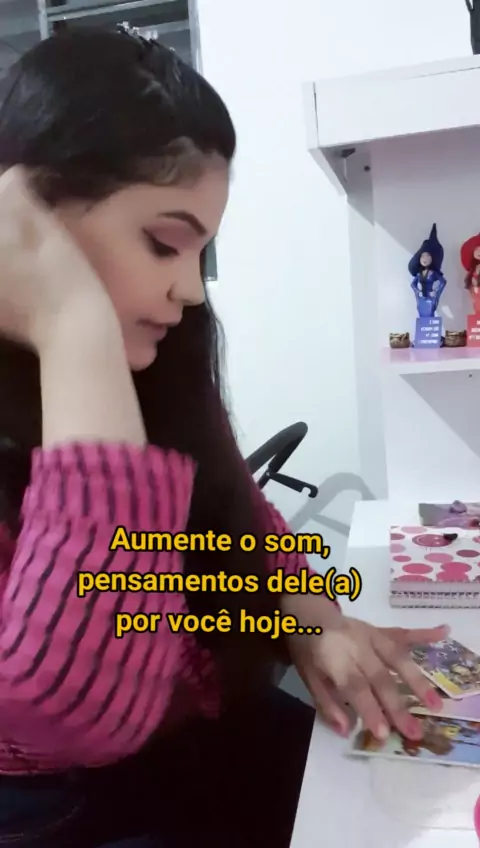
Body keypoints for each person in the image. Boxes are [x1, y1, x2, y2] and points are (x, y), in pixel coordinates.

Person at [0, 27, 447, 848]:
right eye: (163, 244)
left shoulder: (156, 364)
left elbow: (233, 512)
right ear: (26, 223)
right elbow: (75, 707)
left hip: (201, 730)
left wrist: (307, 615)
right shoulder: (87, 348)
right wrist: (72, 325)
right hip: (62, 801)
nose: (190, 292)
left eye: (201, 252)